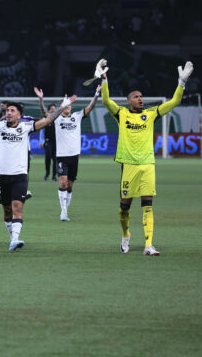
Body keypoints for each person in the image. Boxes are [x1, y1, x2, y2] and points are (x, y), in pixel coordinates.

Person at [0, 91, 75, 251]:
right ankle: (12, 238)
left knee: (17, 207)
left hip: (20, 175)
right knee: (7, 209)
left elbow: (48, 120)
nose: (8, 113)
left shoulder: (26, 127)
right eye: (7, 111)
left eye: (12, 111)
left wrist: (62, 107)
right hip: (2, 175)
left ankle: (15, 238)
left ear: (19, 115)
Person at [99, 59, 193, 255]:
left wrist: (181, 83)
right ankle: (126, 234)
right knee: (124, 208)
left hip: (147, 164)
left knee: (147, 204)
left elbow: (174, 102)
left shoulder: (151, 114)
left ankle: (148, 245)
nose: (141, 99)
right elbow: (106, 101)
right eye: (136, 96)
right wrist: (104, 79)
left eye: (141, 96)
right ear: (129, 101)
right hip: (129, 166)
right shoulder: (122, 114)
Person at [49, 85, 100, 221]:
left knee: (70, 186)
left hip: (74, 156)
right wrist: (43, 100)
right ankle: (63, 212)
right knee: (63, 183)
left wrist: (96, 94)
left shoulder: (77, 116)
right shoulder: (56, 119)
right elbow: (44, 114)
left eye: (69, 104)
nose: (68, 106)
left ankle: (65, 210)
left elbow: (90, 107)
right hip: (61, 156)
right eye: (65, 105)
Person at [35, 88, 57, 181]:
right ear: (48, 111)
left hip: (56, 142)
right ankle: (47, 173)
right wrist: (41, 141)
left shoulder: (58, 119)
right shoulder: (46, 119)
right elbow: (42, 131)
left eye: (54, 110)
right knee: (48, 157)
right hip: (48, 141)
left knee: (55, 160)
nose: (53, 111)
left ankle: (54, 176)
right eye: (51, 110)